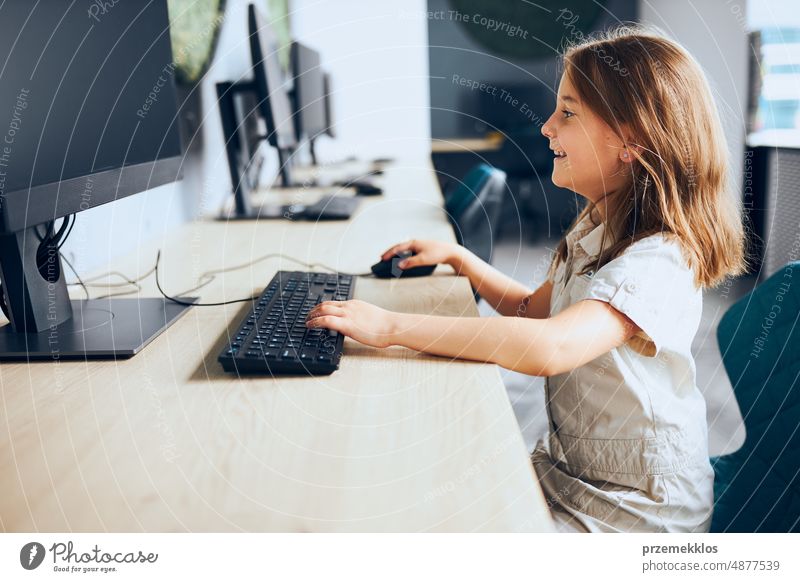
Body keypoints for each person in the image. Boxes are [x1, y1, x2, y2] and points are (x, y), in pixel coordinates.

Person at [305, 26, 746, 532]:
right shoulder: (599, 226)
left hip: (637, 515)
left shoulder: (659, 261)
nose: (546, 127)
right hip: (574, 477)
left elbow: (549, 348)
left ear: (631, 140)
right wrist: (462, 261)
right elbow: (536, 311)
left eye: (568, 112)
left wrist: (392, 328)